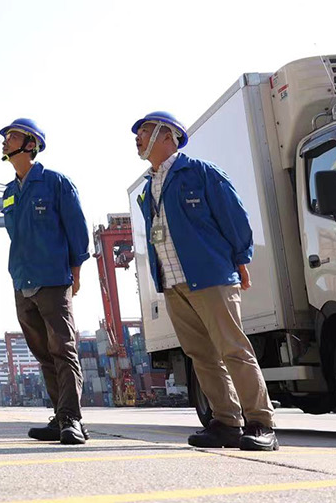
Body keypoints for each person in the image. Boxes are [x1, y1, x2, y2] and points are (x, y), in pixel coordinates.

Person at [133, 112, 277, 451]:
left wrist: (241, 259)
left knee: (233, 350)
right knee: (201, 356)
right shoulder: (148, 186)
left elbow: (236, 218)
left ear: (169, 136)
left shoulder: (201, 173)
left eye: (145, 131)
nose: (137, 138)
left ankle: (261, 422)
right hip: (172, 282)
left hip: (210, 276)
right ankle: (226, 422)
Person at [0, 118, 89, 446]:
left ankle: (72, 419)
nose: (5, 141)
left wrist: (76, 267)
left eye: (12, 136)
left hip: (52, 278)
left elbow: (76, 227)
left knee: (63, 348)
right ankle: (59, 414)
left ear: (31, 144)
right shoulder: (9, 192)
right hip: (22, 281)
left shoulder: (55, 183)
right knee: (43, 352)